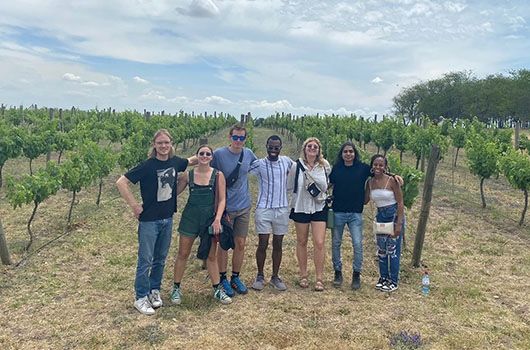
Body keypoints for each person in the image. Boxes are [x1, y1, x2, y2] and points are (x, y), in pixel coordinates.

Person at [116, 129, 196, 315]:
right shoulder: (147, 166)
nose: (163, 146)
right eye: (160, 143)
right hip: (149, 221)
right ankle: (141, 297)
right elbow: (121, 182)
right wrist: (135, 206)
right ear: (154, 145)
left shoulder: (176, 162)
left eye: (166, 142)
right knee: (146, 260)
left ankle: (154, 291)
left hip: (167, 218)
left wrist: (209, 155)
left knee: (160, 259)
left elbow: (190, 162)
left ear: (171, 144)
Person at [170, 145, 232, 305]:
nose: (204, 156)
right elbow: (174, 193)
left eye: (208, 154)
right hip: (190, 218)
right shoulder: (188, 175)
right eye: (201, 153)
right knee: (183, 253)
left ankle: (217, 289)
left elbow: (222, 199)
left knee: (211, 256)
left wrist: (218, 219)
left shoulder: (218, 175)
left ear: (212, 157)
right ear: (197, 156)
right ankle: (176, 288)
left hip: (209, 220)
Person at [211, 124, 257, 297]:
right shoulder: (219, 154)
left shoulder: (249, 154)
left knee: (240, 243)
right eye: (235, 137)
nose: (238, 141)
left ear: (245, 139)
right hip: (226, 208)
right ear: (229, 137)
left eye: (242, 138)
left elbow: (259, 166)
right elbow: (209, 173)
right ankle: (222, 278)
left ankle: (235, 277)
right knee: (224, 244)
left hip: (244, 206)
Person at [249, 135, 294, 291]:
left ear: (280, 148)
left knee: (278, 243)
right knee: (263, 243)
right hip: (264, 208)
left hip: (282, 208)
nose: (273, 150)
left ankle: (275, 276)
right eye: (270, 147)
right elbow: (243, 171)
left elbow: (300, 170)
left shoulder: (287, 162)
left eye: (276, 147)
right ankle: (260, 275)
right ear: (266, 146)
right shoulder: (259, 164)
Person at [288, 137, 331, 291]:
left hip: (319, 207)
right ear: (304, 149)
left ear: (319, 150)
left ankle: (319, 278)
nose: (312, 149)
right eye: (309, 146)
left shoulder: (324, 166)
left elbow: (328, 184)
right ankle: (303, 275)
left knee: (319, 243)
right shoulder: (296, 166)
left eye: (315, 147)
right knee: (302, 241)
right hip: (301, 207)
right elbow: (290, 185)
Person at [328, 141, 371, 290]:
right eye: (345, 151)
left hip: (355, 213)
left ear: (355, 153)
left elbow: (379, 172)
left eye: (350, 151)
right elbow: (328, 184)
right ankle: (337, 272)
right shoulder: (336, 169)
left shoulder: (363, 168)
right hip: (338, 211)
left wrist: (394, 176)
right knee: (336, 243)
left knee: (358, 244)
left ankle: (356, 274)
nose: (348, 154)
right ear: (341, 154)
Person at [364, 154, 405, 292]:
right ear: (372, 166)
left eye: (381, 165)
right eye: (375, 164)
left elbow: (400, 202)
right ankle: (383, 278)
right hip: (380, 216)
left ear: (385, 167)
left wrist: (399, 223)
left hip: (393, 216)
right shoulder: (370, 182)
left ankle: (393, 281)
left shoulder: (392, 181)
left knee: (392, 250)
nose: (378, 167)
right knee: (381, 250)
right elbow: (364, 200)